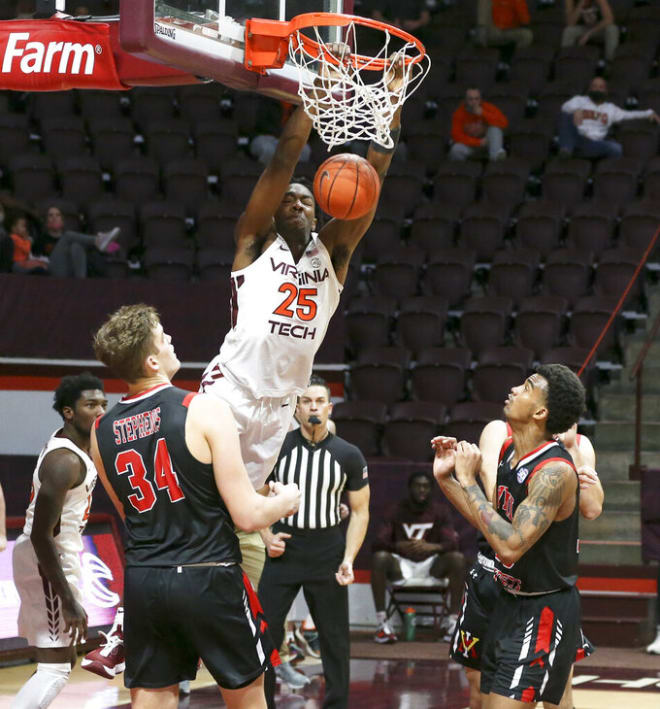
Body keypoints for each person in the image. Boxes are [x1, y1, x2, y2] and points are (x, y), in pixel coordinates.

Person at [199, 54, 405, 595]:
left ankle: (229, 614)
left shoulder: (332, 253)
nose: (294, 202)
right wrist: (311, 102)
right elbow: (283, 161)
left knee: (244, 520)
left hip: (279, 407)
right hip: (232, 391)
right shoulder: (254, 243)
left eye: (305, 201)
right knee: (198, 498)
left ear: (319, 214)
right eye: (288, 200)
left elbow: (374, 175)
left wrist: (391, 105)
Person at [90, 303, 301, 709]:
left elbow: (129, 516)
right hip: (208, 575)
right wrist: (286, 501)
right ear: (152, 359)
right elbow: (248, 515)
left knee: (153, 698)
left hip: (145, 580)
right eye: (163, 335)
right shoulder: (200, 408)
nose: (171, 340)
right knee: (247, 699)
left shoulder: (101, 429)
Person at [433, 364, 588, 707]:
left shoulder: (555, 472)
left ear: (541, 411)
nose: (515, 388)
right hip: (508, 601)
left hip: (543, 607)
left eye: (528, 386)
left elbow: (510, 546)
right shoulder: (507, 452)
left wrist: (470, 481)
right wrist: (448, 481)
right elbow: (491, 525)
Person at [258, 376, 370, 709]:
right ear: (296, 408)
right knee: (266, 633)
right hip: (285, 548)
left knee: (334, 637)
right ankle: (262, 703)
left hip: (327, 549)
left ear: (329, 407)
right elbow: (255, 497)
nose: (313, 407)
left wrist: (349, 557)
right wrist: (266, 536)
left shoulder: (348, 454)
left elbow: (361, 512)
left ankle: (336, 704)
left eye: (319, 401)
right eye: (306, 401)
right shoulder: (277, 449)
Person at [12, 373, 108, 708]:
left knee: (58, 663)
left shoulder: (75, 448)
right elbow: (41, 535)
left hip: (53, 554)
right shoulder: (64, 460)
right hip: (45, 558)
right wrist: (67, 598)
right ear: (68, 412)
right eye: (90, 404)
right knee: (55, 668)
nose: (99, 411)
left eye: (103, 404)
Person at [370, 471, 466, 645]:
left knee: (457, 559)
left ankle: (453, 623)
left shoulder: (440, 511)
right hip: (402, 564)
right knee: (379, 557)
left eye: (426, 486)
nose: (422, 490)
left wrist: (432, 546)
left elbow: (453, 543)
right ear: (409, 488)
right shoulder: (395, 510)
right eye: (417, 485)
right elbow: (377, 542)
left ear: (431, 489)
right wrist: (398, 545)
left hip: (431, 565)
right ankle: (382, 623)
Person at [559, 76, 660, 159]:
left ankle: (605, 172)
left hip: (595, 144)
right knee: (566, 115)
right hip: (577, 139)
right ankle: (566, 150)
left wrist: (648, 113)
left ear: (606, 91)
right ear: (589, 89)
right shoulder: (579, 100)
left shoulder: (610, 108)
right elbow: (564, 108)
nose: (597, 89)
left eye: (601, 87)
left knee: (616, 148)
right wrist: (575, 110)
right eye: (594, 86)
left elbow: (629, 114)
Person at [33, 205, 120, 279]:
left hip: (70, 271)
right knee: (68, 235)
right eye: (50, 215)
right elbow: (34, 258)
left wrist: (113, 247)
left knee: (76, 245)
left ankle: (80, 284)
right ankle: (98, 240)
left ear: (62, 221)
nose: (54, 218)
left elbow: (117, 247)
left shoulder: (73, 239)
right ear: (46, 222)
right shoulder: (41, 240)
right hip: (52, 271)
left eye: (57, 215)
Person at [449, 87, 508, 162]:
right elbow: (456, 136)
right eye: (471, 99)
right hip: (470, 145)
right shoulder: (459, 113)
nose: (474, 102)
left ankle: (496, 159)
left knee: (495, 129)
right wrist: (478, 142)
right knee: (455, 149)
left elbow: (504, 123)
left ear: (480, 99)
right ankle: (464, 171)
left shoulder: (487, 107)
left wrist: (483, 113)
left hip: (489, 144)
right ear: (465, 101)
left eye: (476, 99)